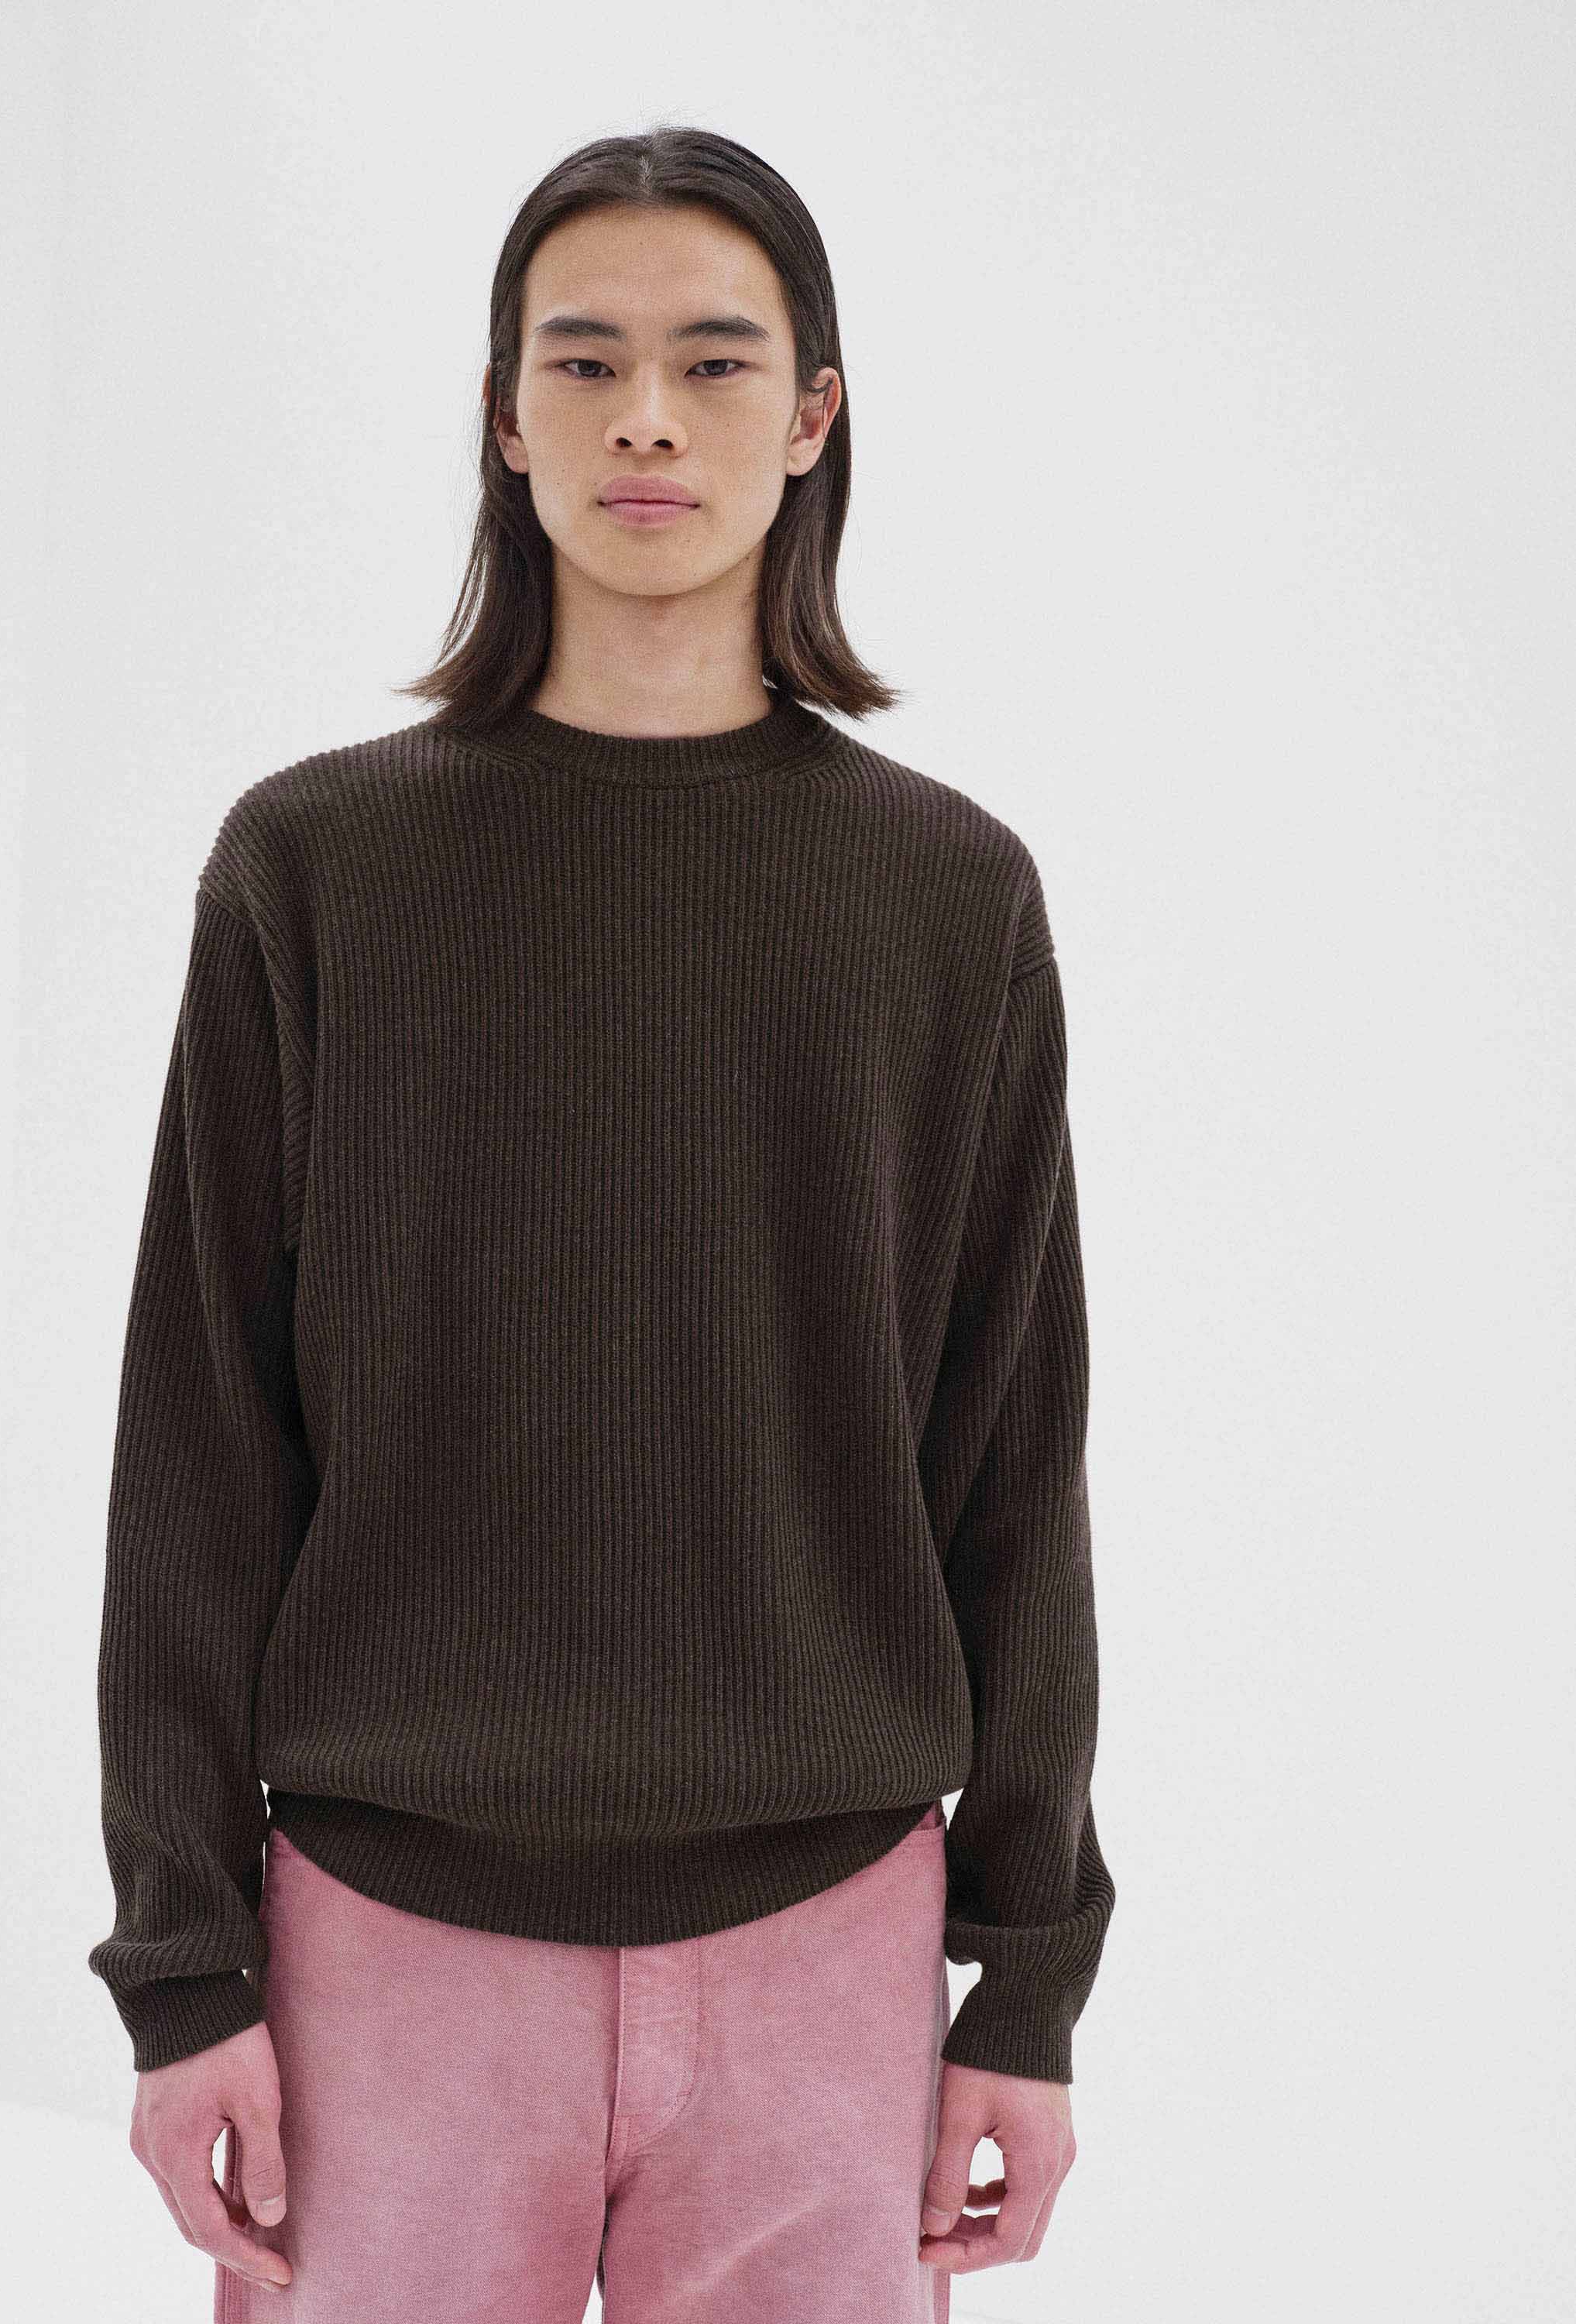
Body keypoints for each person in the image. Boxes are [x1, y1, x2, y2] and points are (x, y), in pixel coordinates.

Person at [88, 125, 1115, 2322]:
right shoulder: (313, 871)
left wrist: (1024, 1981)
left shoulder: (948, 898)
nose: (648, 417)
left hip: (826, 1951)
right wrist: (183, 1969)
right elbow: (197, 1438)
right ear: (504, 413)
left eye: (715, 363)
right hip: (383, 1948)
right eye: (585, 362)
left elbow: (1011, 1454)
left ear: (812, 416)